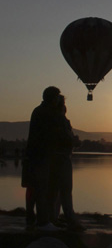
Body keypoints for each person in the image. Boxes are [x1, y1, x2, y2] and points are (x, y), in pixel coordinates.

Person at [25, 86, 62, 231]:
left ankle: (34, 219)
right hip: (41, 156)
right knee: (41, 189)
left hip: (36, 155)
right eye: (57, 97)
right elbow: (50, 135)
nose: (59, 99)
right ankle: (42, 222)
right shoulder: (47, 113)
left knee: (35, 189)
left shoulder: (38, 110)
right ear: (53, 98)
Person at [48, 94, 85, 231]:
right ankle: (70, 219)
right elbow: (64, 139)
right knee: (65, 190)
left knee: (56, 190)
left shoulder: (52, 119)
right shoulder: (60, 120)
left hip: (57, 158)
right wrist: (75, 141)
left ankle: (54, 218)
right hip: (62, 158)